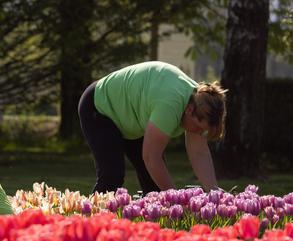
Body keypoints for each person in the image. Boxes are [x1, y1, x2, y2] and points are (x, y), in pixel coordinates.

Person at [78, 61, 227, 194]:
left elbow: (199, 153)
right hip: (100, 106)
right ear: (189, 111)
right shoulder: (170, 105)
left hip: (132, 116)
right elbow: (151, 157)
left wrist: (213, 190)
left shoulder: (199, 101)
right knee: (112, 176)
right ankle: (89, 222)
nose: (200, 133)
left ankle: (148, 225)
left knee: (154, 187)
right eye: (199, 128)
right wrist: (175, 198)